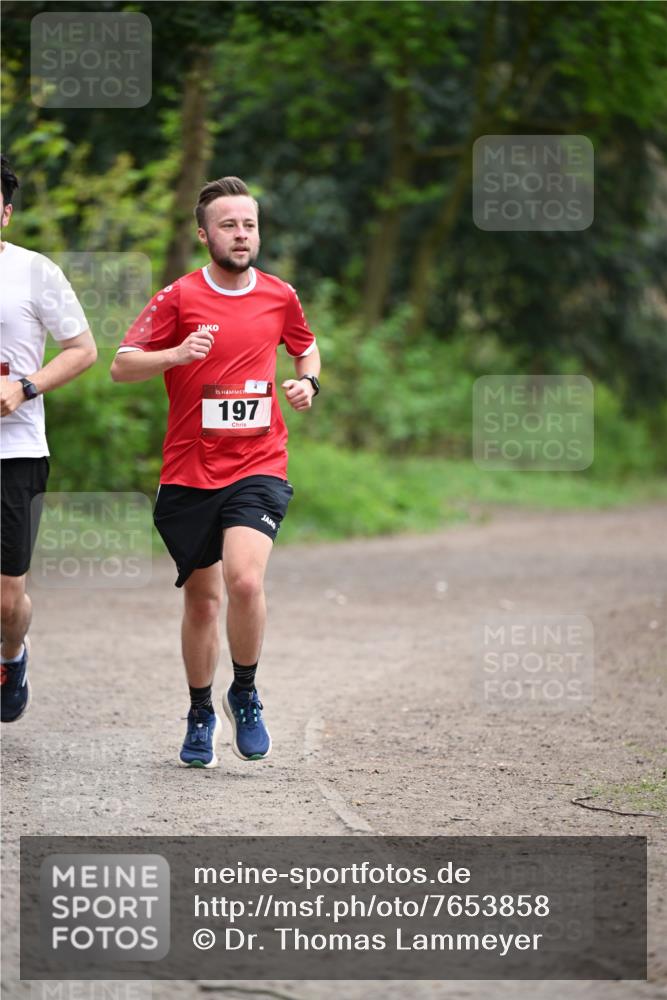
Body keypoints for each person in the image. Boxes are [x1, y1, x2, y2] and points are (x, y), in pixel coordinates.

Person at [110, 176, 321, 769]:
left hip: (259, 463)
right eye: (228, 225)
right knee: (203, 602)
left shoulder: (280, 295)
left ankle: (245, 692)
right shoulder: (178, 297)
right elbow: (122, 366)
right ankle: (201, 710)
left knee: (245, 581)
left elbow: (304, 346)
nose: (241, 234)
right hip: (188, 470)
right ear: (204, 234)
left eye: (249, 224)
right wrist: (177, 355)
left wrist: (308, 381)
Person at [0, 154, 97, 722]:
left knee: (7, 599)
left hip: (15, 452)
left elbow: (82, 350)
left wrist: (25, 387)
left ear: (6, 214)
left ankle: (11, 655)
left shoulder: (35, 272)